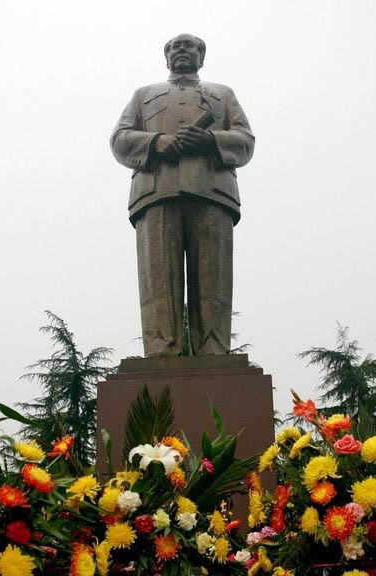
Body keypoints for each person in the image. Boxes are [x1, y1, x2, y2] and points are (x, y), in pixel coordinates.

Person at [111, 33, 254, 356]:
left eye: (189, 46)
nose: (182, 50)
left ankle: (214, 352)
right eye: (175, 46)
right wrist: (155, 142)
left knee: (213, 282)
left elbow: (246, 141)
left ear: (202, 57)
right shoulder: (143, 95)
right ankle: (162, 352)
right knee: (158, 282)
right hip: (156, 192)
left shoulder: (223, 95)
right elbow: (119, 139)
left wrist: (210, 140)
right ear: (166, 58)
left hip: (212, 193)